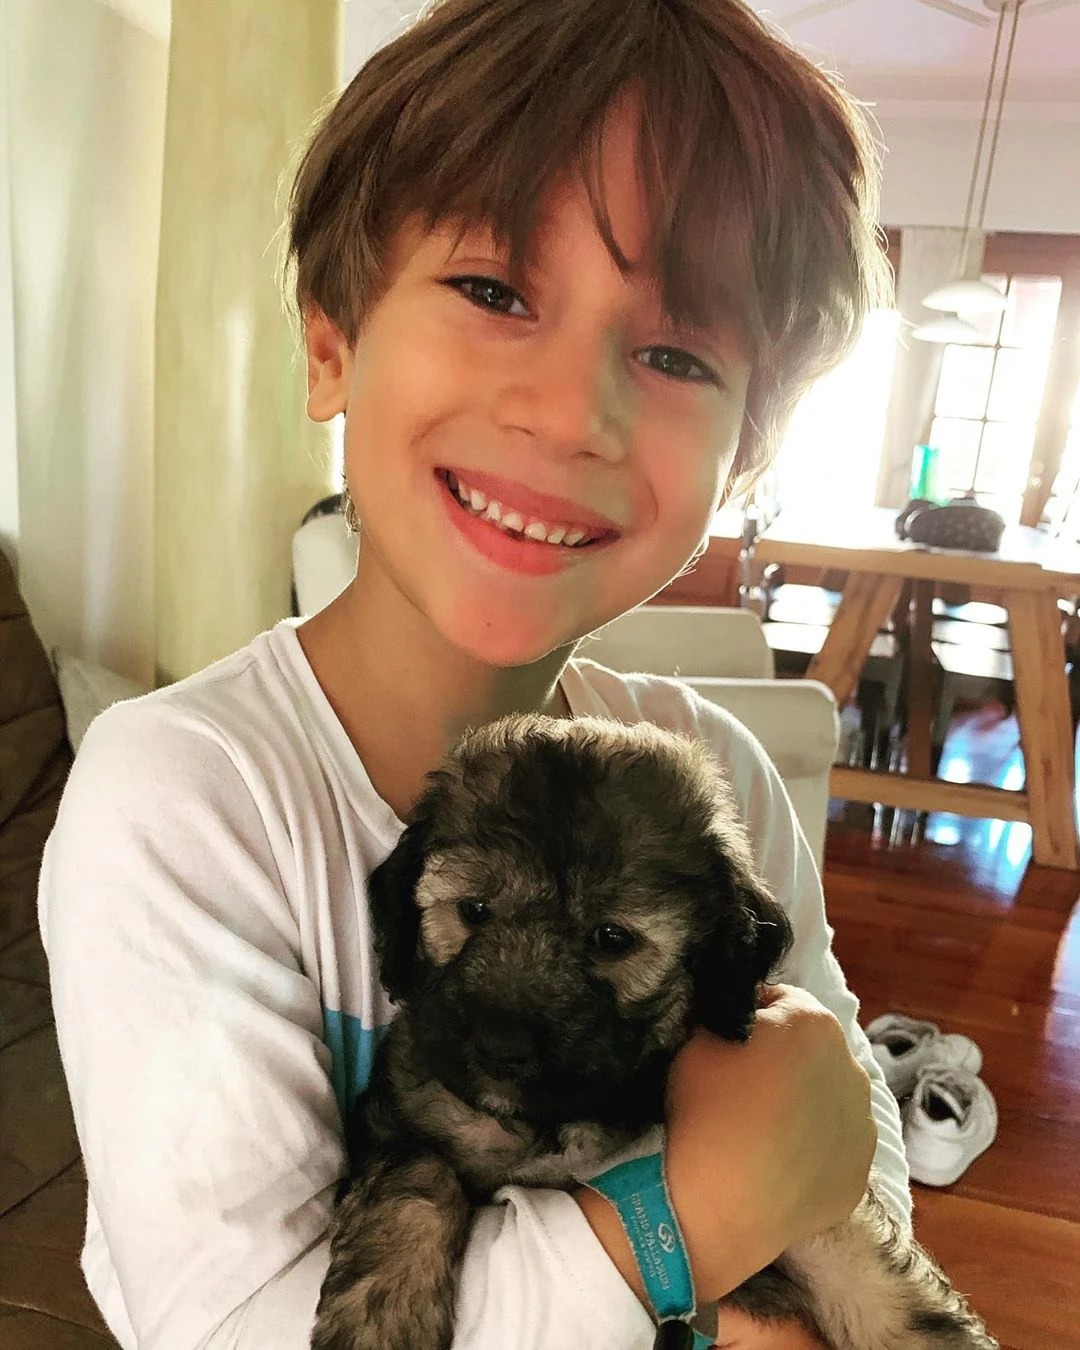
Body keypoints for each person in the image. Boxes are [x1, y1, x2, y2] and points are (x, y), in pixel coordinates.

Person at [38, 2, 908, 1347]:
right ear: (331, 343)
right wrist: (688, 1218)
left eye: (677, 353)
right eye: (496, 292)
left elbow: (842, 1129)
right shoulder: (181, 802)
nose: (572, 412)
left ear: (743, 455)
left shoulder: (718, 781)